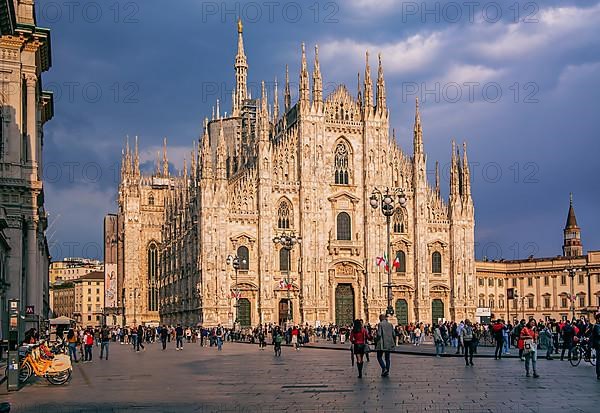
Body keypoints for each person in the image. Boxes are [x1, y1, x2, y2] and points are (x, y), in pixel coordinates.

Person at [591, 313, 600, 380]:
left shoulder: (596, 326)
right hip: (599, 344)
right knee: (599, 360)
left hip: (597, 344)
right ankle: (599, 373)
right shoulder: (597, 326)